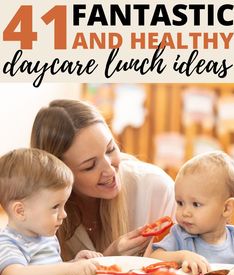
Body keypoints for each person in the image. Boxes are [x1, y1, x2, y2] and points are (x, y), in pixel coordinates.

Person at [30, 99, 176, 261]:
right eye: (90, 166)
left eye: (111, 149)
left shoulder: (155, 187)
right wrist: (109, 258)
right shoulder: (38, 212)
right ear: (59, 173)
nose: (109, 170)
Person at [0, 148, 101, 275]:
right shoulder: (7, 243)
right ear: (20, 211)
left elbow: (50, 273)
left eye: (63, 205)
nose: (64, 214)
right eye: (55, 207)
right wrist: (68, 269)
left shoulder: (46, 237)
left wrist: (75, 264)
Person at [151, 151, 234, 275]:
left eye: (196, 204)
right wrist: (183, 256)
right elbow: (152, 258)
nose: (185, 212)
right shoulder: (180, 235)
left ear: (226, 208)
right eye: (180, 203)